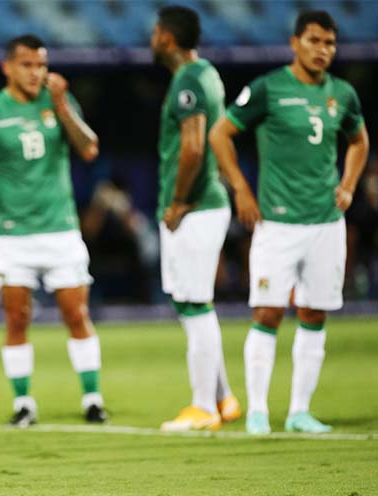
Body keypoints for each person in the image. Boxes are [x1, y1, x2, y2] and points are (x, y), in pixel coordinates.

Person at [209, 10, 369, 435]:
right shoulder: (268, 88)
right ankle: (259, 411)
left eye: (330, 43)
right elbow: (220, 134)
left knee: (315, 313)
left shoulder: (343, 94)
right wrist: (241, 189)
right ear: (294, 42)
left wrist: (349, 185)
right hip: (277, 224)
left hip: (326, 223)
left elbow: (359, 140)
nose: (323, 50)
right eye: (314, 41)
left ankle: (299, 411)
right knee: (267, 311)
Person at [0, 34, 107, 427]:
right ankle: (24, 403)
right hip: (11, 235)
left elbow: (90, 148)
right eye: (27, 64)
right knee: (16, 319)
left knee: (77, 314)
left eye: (41, 64)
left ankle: (93, 398)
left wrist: (61, 103)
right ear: (8, 67)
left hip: (60, 230)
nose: (36, 72)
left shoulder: (58, 102)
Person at [149, 6, 240, 432]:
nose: (152, 38)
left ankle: (203, 406)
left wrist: (179, 201)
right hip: (206, 205)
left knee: (194, 303)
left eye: (155, 32)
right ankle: (222, 398)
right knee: (190, 301)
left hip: (196, 207)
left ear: (166, 37)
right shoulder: (207, 73)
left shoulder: (187, 79)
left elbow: (193, 147)